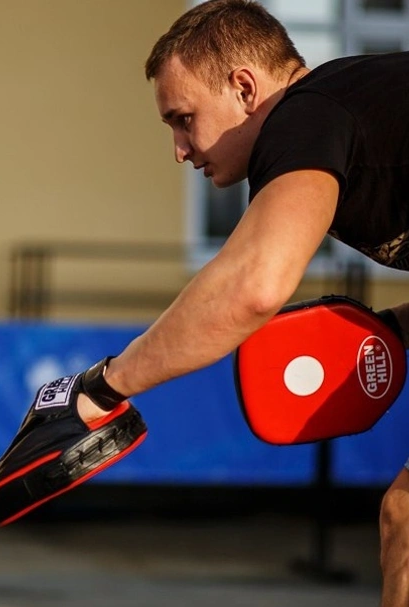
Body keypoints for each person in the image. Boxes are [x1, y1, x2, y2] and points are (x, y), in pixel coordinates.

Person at [68, 0, 409, 602]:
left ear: (245, 88)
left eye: (183, 119)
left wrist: (106, 386)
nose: (179, 149)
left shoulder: (306, 114)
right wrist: (391, 330)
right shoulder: (353, 108)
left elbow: (253, 287)